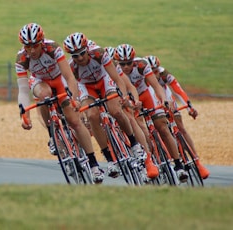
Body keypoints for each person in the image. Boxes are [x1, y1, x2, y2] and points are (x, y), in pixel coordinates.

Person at [15, 23, 105, 184]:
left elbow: (70, 77)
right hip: (40, 81)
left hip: (59, 79)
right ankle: (52, 135)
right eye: (28, 47)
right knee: (44, 95)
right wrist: (24, 114)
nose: (32, 50)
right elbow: (22, 90)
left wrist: (74, 99)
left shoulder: (52, 48)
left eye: (35, 45)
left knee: (75, 121)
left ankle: (94, 164)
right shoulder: (21, 58)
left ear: (41, 42)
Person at [63, 32, 159, 179]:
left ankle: (134, 144)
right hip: (86, 86)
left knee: (115, 110)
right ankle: (109, 158)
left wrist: (124, 96)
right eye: (75, 56)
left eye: (82, 53)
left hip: (104, 80)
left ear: (87, 49)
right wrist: (75, 101)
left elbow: (117, 79)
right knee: (92, 116)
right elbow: (75, 88)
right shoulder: (72, 66)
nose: (80, 58)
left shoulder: (99, 54)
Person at [113, 43, 189, 183]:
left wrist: (164, 100)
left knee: (162, 127)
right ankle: (148, 158)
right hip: (130, 99)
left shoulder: (141, 65)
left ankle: (178, 165)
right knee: (137, 127)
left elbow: (156, 86)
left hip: (146, 95)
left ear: (134, 60)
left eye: (129, 63)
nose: (126, 67)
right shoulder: (115, 70)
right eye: (122, 64)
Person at [144, 55, 210, 179]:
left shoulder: (164, 74)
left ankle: (197, 161)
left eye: (156, 71)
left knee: (180, 126)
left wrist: (189, 106)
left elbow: (177, 89)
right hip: (150, 99)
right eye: (151, 71)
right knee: (157, 127)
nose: (154, 74)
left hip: (165, 98)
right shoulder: (141, 77)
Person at [105, 47, 159, 179]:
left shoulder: (117, 70)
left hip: (121, 98)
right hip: (106, 99)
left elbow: (130, 87)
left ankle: (148, 158)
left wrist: (133, 101)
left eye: (113, 62)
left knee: (132, 118)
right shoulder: (97, 71)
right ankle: (113, 158)